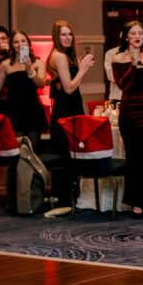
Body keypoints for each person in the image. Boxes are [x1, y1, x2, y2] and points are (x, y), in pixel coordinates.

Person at [111, 21, 143, 218]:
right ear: (126, 36)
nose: (137, 36)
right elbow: (123, 85)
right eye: (133, 33)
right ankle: (134, 203)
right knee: (133, 157)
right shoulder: (118, 58)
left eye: (140, 33)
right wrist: (133, 65)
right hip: (130, 111)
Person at [47, 20, 95, 205]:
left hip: (71, 106)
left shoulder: (64, 55)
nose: (68, 38)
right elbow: (69, 88)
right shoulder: (58, 56)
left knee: (71, 153)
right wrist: (83, 69)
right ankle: (65, 197)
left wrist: (80, 66)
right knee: (67, 154)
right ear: (56, 37)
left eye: (69, 34)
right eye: (63, 34)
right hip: (66, 109)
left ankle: (68, 195)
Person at [0, 30, 49, 149]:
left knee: (32, 149)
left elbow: (41, 84)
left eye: (23, 41)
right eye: (16, 42)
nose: (20, 44)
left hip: (33, 110)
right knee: (16, 149)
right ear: (12, 45)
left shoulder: (38, 63)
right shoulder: (5, 65)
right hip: (14, 112)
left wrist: (30, 70)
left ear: (28, 44)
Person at [103, 24, 127, 105]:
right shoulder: (111, 53)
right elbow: (112, 76)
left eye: (139, 33)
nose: (135, 36)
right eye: (131, 33)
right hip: (117, 97)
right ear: (121, 35)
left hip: (140, 98)